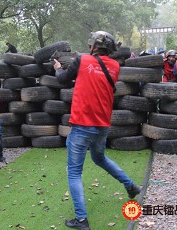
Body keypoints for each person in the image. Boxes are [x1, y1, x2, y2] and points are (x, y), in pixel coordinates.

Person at [53, 31, 141, 230]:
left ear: (93, 45)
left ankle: (82, 220)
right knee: (99, 158)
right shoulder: (115, 66)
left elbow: (63, 80)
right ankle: (130, 186)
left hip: (82, 125)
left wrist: (58, 68)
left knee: (74, 173)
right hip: (102, 125)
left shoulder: (81, 60)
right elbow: (94, 77)